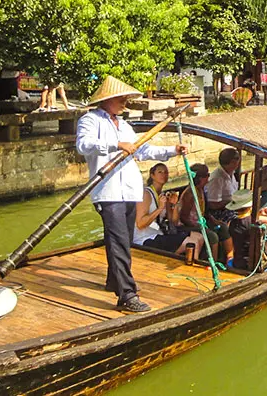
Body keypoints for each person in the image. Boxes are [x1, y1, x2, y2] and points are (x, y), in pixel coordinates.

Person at [76, 76, 186, 313]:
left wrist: (172, 151)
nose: (125, 103)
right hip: (108, 191)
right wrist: (116, 145)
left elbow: (144, 150)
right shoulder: (90, 120)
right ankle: (126, 294)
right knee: (117, 241)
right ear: (108, 100)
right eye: (121, 99)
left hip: (130, 191)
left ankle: (113, 281)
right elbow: (83, 145)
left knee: (123, 240)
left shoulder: (125, 126)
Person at [133, 164, 206, 258]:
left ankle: (188, 263)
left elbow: (174, 221)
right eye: (160, 172)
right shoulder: (146, 194)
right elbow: (140, 224)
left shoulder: (163, 195)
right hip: (145, 238)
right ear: (152, 175)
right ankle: (191, 268)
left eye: (166, 172)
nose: (164, 174)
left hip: (160, 234)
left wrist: (174, 204)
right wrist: (159, 208)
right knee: (192, 243)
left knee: (199, 237)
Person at [179, 163, 236, 268]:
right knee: (212, 236)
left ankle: (229, 258)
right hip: (189, 225)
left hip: (201, 221)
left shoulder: (202, 190)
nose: (209, 177)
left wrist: (213, 220)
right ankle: (212, 263)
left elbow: (204, 211)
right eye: (207, 175)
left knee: (223, 227)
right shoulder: (190, 194)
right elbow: (183, 216)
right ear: (200, 178)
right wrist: (199, 226)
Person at [224, 190, 267, 269]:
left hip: (238, 263)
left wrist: (259, 213)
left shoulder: (231, 222)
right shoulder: (259, 220)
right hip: (256, 265)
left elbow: (245, 218)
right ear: (250, 206)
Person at [206, 148, 242, 223]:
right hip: (219, 212)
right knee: (242, 221)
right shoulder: (216, 179)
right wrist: (231, 202)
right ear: (232, 162)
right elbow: (213, 204)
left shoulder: (231, 173)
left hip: (232, 207)